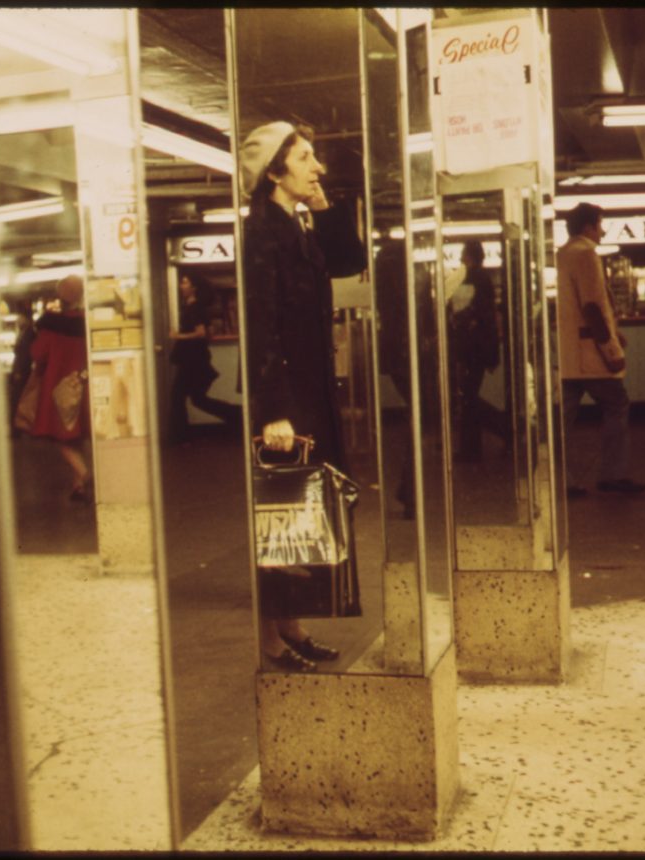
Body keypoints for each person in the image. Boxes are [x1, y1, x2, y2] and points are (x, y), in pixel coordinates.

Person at [240, 120, 368, 672]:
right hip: (286, 398)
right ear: (274, 171)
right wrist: (274, 412)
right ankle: (270, 638)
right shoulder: (261, 233)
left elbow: (348, 262)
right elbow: (260, 326)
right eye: (306, 159)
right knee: (281, 516)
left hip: (308, 390)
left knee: (299, 518)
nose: (317, 167)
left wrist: (325, 204)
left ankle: (290, 625)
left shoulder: (293, 223)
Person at [557, 202, 645, 497]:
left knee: (562, 419)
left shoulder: (562, 254)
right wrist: (611, 347)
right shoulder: (586, 254)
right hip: (591, 354)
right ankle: (614, 474)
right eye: (600, 224)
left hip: (569, 352)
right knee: (617, 405)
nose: (602, 230)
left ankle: (560, 478)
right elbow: (594, 306)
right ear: (588, 227)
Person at [26, 274, 93, 502]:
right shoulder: (89, 321)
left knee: (60, 438)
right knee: (75, 436)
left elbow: (38, 354)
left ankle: (83, 474)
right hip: (83, 383)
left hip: (57, 386)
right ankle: (78, 486)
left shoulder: (51, 325)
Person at [448, 239, 506, 462]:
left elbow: (475, 311)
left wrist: (459, 320)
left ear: (469, 255)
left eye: (463, 252)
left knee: (468, 397)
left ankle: (480, 442)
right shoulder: (482, 278)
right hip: (477, 347)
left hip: (472, 347)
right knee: (469, 396)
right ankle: (474, 445)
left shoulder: (473, 279)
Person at [168, 273, 241, 442]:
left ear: (194, 288)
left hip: (192, 362)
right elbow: (208, 331)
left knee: (178, 396)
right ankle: (237, 414)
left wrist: (178, 336)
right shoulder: (196, 307)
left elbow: (201, 333)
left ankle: (180, 436)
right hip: (195, 360)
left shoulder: (194, 308)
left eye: (185, 283)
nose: (181, 285)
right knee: (197, 399)